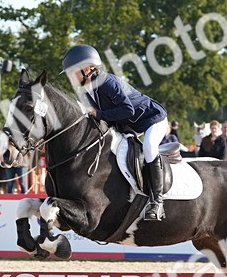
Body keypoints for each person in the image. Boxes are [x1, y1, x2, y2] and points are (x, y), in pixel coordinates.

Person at [63, 44, 169, 220]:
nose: (70, 76)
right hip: (129, 127)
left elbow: (128, 110)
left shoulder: (107, 82)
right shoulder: (89, 92)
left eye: (73, 71)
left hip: (152, 119)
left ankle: (157, 202)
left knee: (150, 147)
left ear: (87, 68)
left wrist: (98, 113)